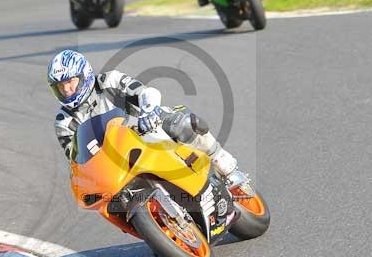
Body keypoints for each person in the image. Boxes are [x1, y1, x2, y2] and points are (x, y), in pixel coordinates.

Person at [47, 49, 238, 177]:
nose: (67, 90)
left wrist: (148, 112)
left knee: (181, 122)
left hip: (145, 128)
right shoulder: (64, 122)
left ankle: (218, 155)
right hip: (113, 161)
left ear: (84, 74)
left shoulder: (109, 81)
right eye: (60, 86)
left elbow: (144, 92)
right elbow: (76, 158)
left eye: (70, 82)